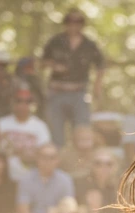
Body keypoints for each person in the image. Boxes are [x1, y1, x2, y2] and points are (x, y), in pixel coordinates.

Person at [41, 8, 105, 147]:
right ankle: (59, 164)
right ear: (65, 23)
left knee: (82, 131)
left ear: (83, 24)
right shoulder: (55, 41)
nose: (74, 24)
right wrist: (54, 65)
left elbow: (100, 65)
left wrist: (97, 88)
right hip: (56, 92)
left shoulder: (89, 44)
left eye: (78, 21)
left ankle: (79, 164)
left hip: (79, 93)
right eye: (70, 21)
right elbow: (43, 62)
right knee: (56, 133)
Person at [0, 86, 53, 181]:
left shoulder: (40, 126)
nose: (22, 105)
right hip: (4, 175)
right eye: (19, 101)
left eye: (27, 102)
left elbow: (45, 152)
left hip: (31, 175)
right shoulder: (1, 123)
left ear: (32, 104)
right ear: (12, 103)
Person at [16, 144, 75, 213]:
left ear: (57, 160)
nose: (48, 161)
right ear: (37, 159)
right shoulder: (26, 179)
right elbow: (24, 212)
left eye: (52, 158)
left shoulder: (65, 180)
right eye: (44, 157)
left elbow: (68, 209)